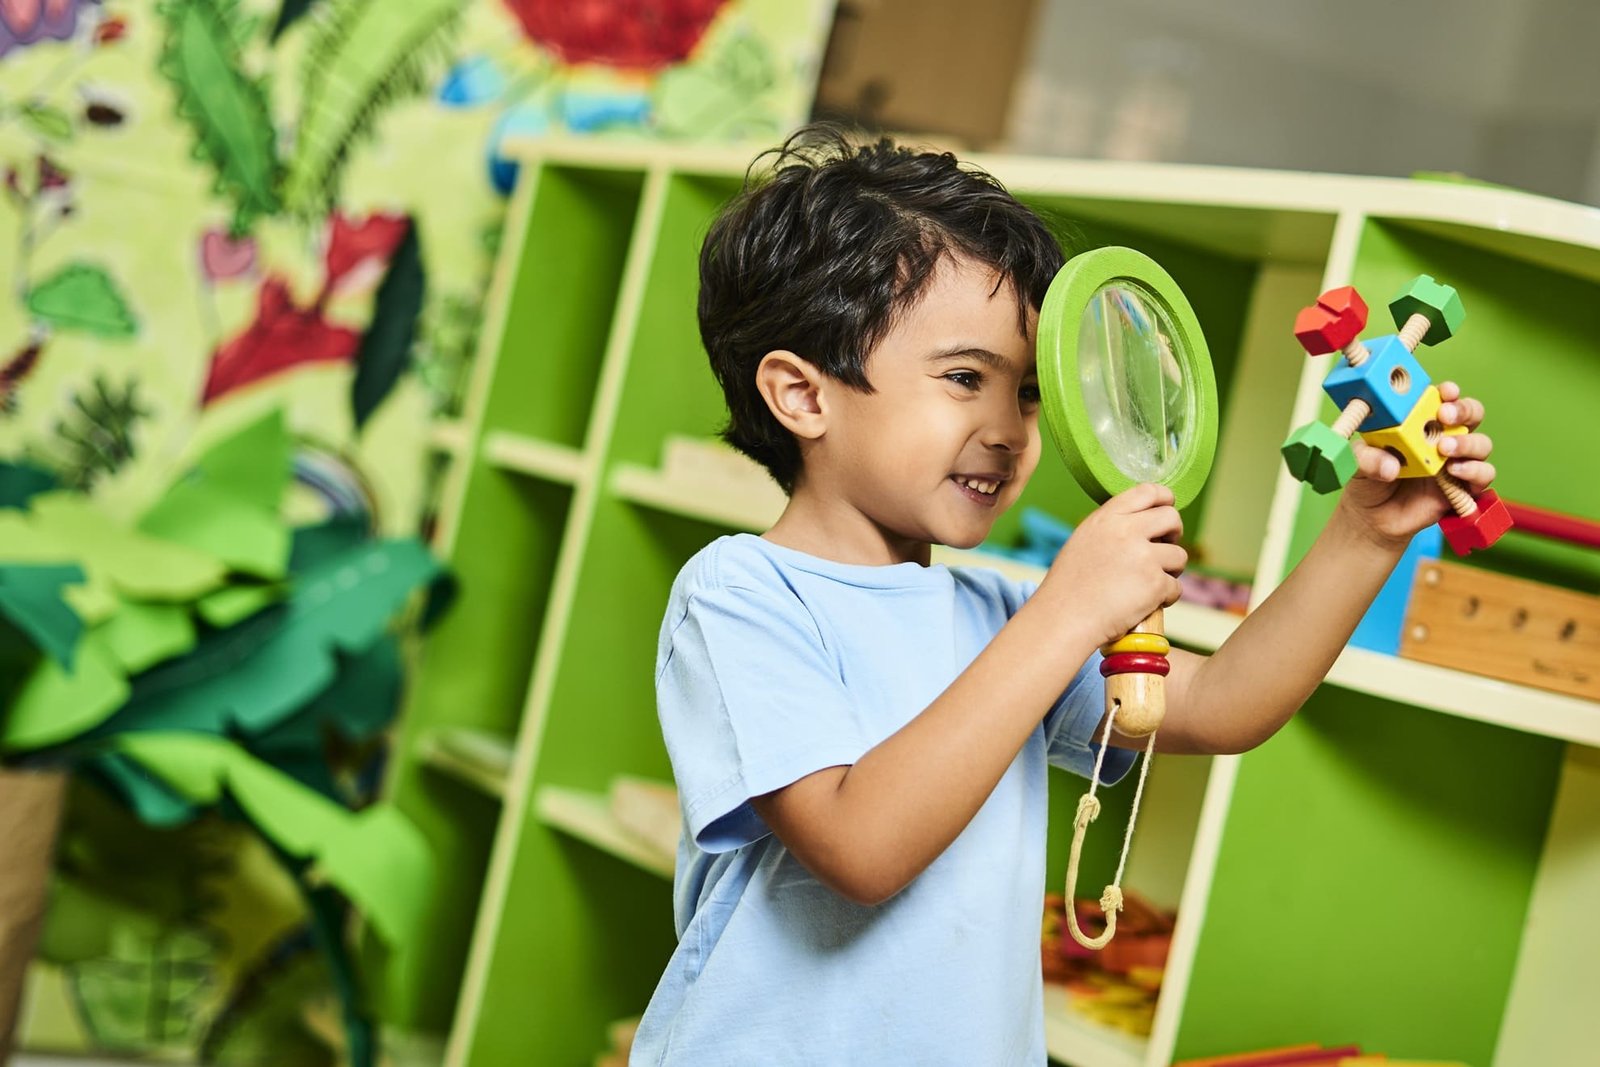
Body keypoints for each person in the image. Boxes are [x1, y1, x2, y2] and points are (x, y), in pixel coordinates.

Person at [630, 126, 1498, 1065]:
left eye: (1031, 393)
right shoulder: (742, 595)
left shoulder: (994, 617)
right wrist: (1065, 611)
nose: (1008, 429)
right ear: (802, 397)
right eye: (965, 378)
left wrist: (1366, 532)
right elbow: (860, 848)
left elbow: (1221, 705)